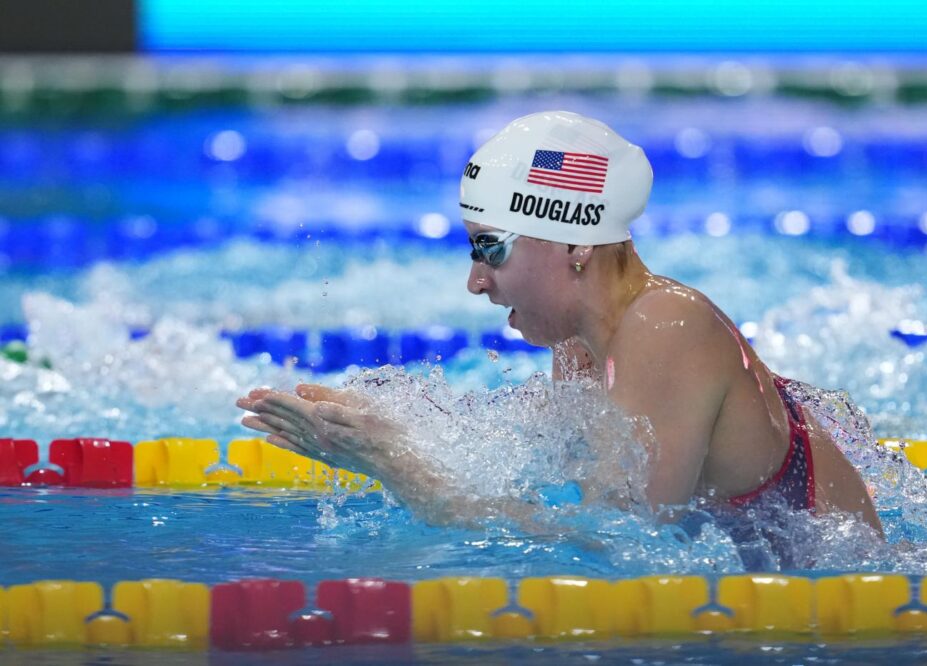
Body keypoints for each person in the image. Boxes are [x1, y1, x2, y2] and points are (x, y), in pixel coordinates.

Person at [237, 111, 883, 537]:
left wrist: (397, 467)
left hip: (844, 620)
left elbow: (622, 550)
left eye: (489, 247)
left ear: (574, 244)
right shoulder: (585, 343)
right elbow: (561, 485)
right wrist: (392, 429)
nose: (475, 280)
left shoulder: (666, 326)